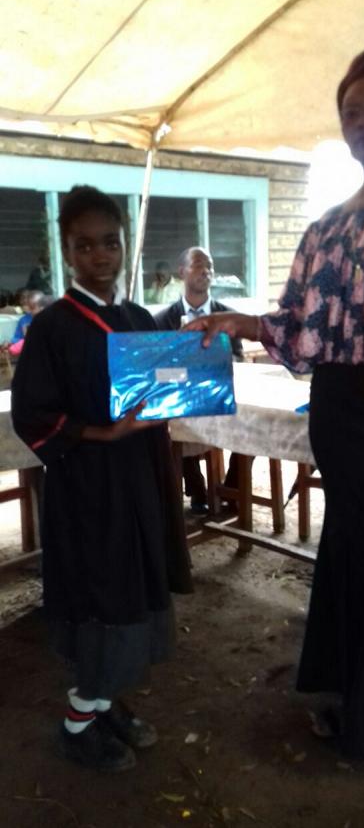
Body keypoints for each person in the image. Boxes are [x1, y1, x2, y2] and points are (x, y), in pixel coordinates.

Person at [188, 46, 364, 801]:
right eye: (352, 110)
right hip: (340, 407)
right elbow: (299, 328)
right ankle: (355, 700)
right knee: (350, 553)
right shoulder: (326, 226)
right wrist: (237, 321)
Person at [11, 186, 192, 773]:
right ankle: (79, 720)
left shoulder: (137, 319)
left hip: (139, 480)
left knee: (134, 588)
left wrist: (194, 372)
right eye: (84, 246)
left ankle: (106, 701)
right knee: (103, 594)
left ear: (123, 245)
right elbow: (31, 414)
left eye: (110, 243)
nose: (100, 256)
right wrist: (103, 433)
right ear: (67, 252)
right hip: (89, 487)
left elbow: (164, 384)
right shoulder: (52, 327)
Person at [155, 246, 245, 514]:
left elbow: (238, 359)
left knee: (252, 425)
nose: (206, 271)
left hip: (220, 398)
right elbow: (159, 369)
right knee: (172, 426)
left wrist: (217, 364)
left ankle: (232, 488)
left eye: (210, 266)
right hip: (182, 402)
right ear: (182, 271)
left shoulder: (228, 316)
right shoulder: (162, 320)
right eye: (198, 265)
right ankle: (196, 488)